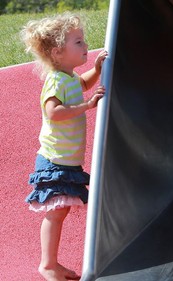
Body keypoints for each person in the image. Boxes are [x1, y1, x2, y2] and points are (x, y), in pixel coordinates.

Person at [20, 12, 107, 281]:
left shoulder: (69, 77)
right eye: (78, 42)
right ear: (58, 53)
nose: (85, 45)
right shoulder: (56, 80)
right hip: (54, 159)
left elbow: (83, 83)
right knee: (56, 212)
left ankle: (52, 263)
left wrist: (98, 69)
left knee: (61, 210)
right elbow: (54, 112)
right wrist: (88, 105)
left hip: (66, 159)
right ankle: (47, 264)